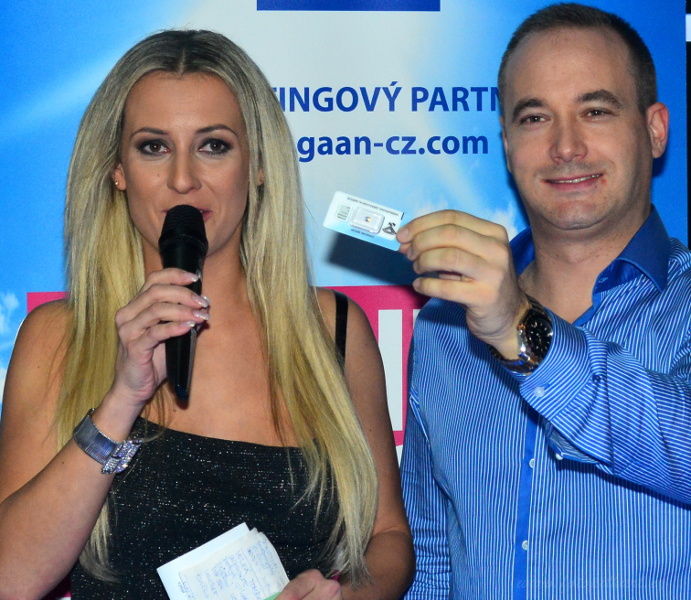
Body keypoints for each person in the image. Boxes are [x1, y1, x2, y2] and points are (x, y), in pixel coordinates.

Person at [0, 30, 413, 600]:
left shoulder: (331, 329)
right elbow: (11, 578)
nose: (182, 179)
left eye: (213, 146)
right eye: (153, 147)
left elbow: (387, 537)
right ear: (117, 170)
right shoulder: (59, 338)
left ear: (258, 165)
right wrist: (121, 399)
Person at [397, 3, 691, 598]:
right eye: (535, 118)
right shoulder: (443, 327)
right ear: (507, 144)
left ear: (655, 129)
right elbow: (431, 554)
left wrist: (519, 329)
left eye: (595, 110)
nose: (565, 146)